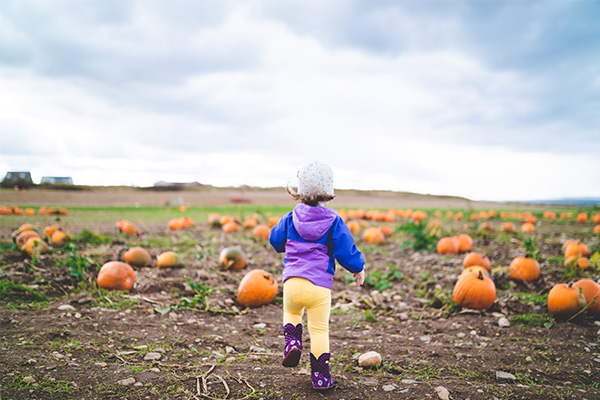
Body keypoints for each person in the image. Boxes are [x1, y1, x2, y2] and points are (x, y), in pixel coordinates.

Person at [269, 161, 365, 390]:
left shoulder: (290, 218)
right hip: (319, 287)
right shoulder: (334, 222)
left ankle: (292, 341)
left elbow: (274, 239)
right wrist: (358, 267)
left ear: (299, 192)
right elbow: (345, 251)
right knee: (320, 330)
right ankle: (320, 377)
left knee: (291, 312)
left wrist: (289, 244)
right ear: (328, 192)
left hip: (292, 283)